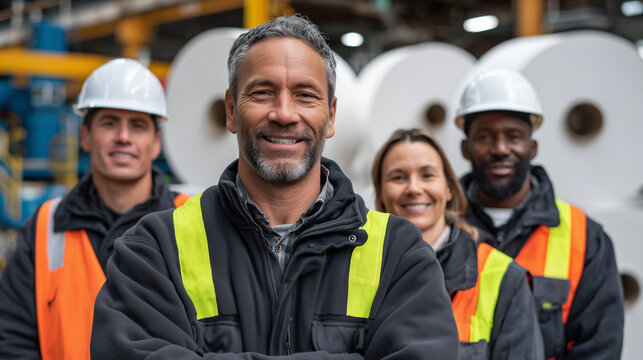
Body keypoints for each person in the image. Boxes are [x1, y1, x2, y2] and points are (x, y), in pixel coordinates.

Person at [90, 15, 460, 359]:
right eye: (263, 92)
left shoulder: (399, 255)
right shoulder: (155, 251)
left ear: (330, 116)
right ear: (232, 111)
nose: (284, 114)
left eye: (305, 95)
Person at [0, 58, 189, 359]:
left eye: (137, 125)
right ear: (85, 136)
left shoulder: (192, 221)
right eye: (110, 123)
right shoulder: (46, 226)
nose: (123, 137)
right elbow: (13, 338)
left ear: (155, 143)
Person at [456, 68, 624, 359]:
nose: (500, 149)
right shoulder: (440, 229)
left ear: (532, 147)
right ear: (466, 148)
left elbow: (598, 349)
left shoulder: (585, 239)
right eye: (484, 137)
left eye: (514, 136)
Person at [371, 128, 543, 359]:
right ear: (381, 192)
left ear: (449, 188)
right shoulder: (355, 269)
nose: (413, 188)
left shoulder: (504, 278)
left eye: (427, 175)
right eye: (398, 177)